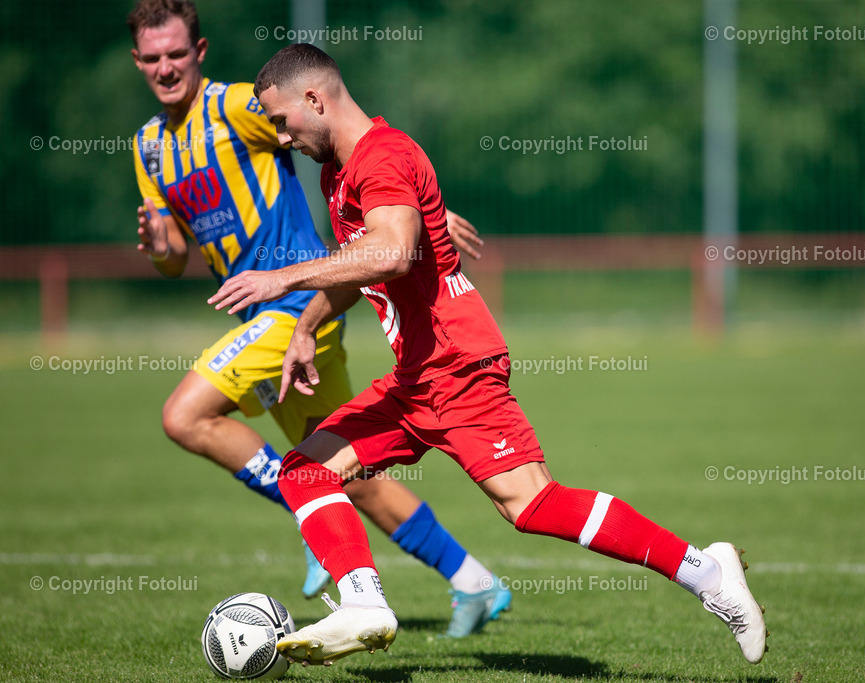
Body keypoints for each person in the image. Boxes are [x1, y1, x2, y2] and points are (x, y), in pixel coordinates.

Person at [208, 42, 769, 667]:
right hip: (416, 377)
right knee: (305, 471)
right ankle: (363, 603)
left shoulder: (383, 157)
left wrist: (282, 281)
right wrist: (309, 323)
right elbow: (364, 268)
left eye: (282, 120)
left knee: (531, 504)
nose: (281, 136)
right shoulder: (337, 173)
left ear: (315, 98)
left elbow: (391, 251)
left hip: (455, 365)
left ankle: (707, 573)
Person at [127, 0, 507, 637]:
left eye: (175, 53)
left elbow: (330, 118)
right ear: (137, 61)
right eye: (151, 57)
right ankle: (474, 581)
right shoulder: (148, 148)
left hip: (301, 302)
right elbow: (171, 261)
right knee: (350, 470)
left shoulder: (237, 107)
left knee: (183, 416)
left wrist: (422, 202)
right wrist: (161, 247)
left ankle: (310, 513)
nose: (165, 67)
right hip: (275, 318)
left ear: (200, 51)